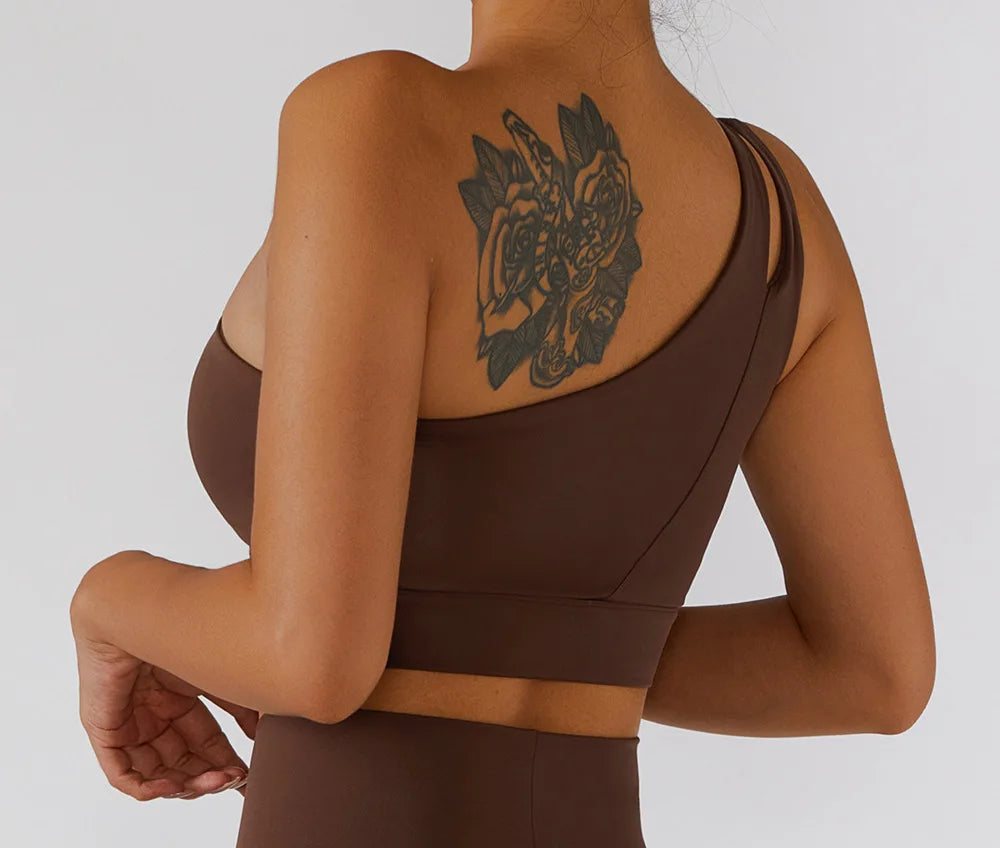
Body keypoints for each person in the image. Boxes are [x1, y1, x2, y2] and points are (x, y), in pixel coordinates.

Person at [69, 0, 936, 844]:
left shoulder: (377, 117)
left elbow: (309, 658)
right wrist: (581, 647)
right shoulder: (781, 214)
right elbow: (868, 672)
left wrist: (109, 600)